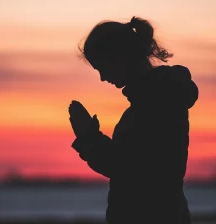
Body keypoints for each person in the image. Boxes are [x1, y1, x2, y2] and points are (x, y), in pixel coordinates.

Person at [68, 16, 199, 224]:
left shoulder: (157, 101)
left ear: (120, 57)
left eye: (102, 67)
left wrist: (89, 137)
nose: (102, 77)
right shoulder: (156, 98)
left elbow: (128, 170)